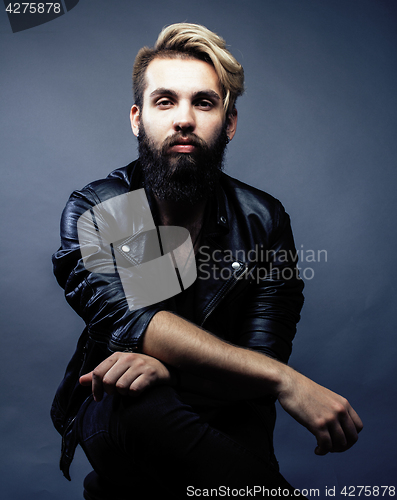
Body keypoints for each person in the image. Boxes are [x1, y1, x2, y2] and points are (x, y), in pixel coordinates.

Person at [51, 23, 363, 498]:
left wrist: (172, 368)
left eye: (203, 102)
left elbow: (261, 358)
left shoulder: (263, 220)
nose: (183, 119)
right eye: (164, 101)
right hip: (123, 417)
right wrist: (286, 381)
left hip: (230, 428)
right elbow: (140, 325)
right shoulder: (105, 207)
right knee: (136, 400)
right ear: (137, 118)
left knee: (169, 406)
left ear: (229, 122)